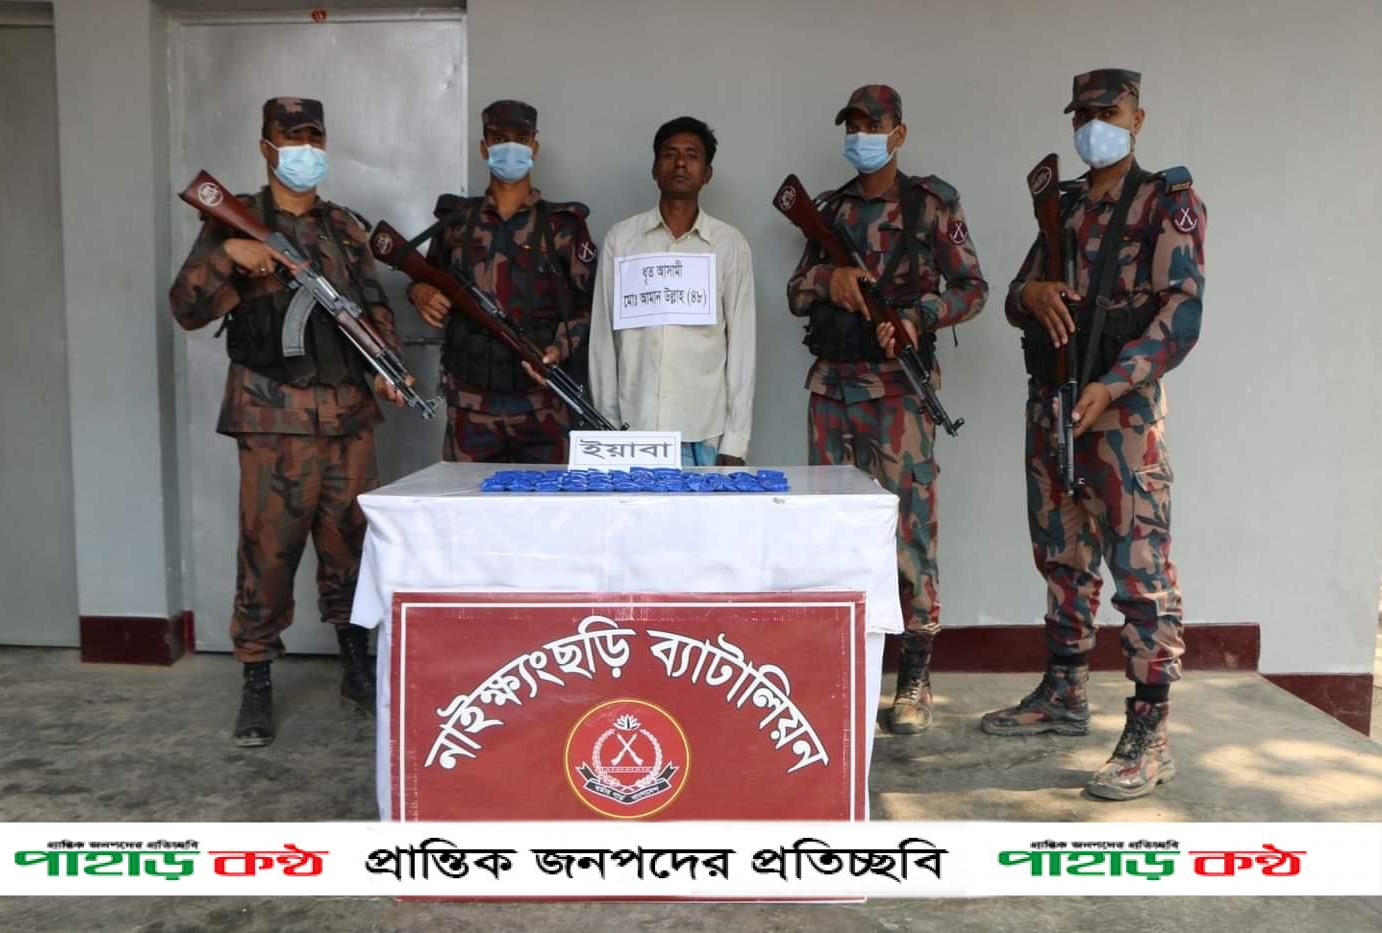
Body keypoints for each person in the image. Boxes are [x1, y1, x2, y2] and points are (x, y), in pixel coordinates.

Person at [983, 68, 1206, 801]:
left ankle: (1150, 731)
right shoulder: (1064, 204)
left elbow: (1181, 313)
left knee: (1140, 570)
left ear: (1138, 117)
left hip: (1121, 417)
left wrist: (1113, 384)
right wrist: (1032, 293)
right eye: (1082, 114)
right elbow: (1014, 297)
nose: (1093, 125)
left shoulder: (1166, 202)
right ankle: (1065, 689)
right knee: (1061, 554)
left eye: (1108, 111)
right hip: (1052, 404)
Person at [170, 97, 407, 747]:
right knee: (267, 553)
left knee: (351, 547)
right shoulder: (233, 221)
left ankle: (355, 663)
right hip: (272, 416)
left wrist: (386, 367)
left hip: (348, 417)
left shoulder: (344, 227)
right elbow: (186, 308)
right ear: (267, 147)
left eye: (314, 137)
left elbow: (374, 306)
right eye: (291, 137)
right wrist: (230, 255)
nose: (305, 149)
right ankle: (256, 677)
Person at [787, 84, 988, 734]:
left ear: (898, 134)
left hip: (899, 395)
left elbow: (973, 288)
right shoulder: (828, 209)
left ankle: (914, 679)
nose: (860, 136)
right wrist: (832, 280)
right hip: (832, 391)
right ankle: (836, 674)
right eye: (852, 125)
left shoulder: (931, 204)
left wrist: (917, 315)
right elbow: (796, 291)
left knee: (909, 533)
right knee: (829, 533)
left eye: (872, 125)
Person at [408, 99, 597, 463]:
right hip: (470, 403)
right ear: (484, 147)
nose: (511, 147)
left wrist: (557, 349)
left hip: (542, 403)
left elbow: (586, 306)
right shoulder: (456, 221)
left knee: (546, 500)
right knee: (465, 499)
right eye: (499, 138)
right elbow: (423, 274)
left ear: (534, 147)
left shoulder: (562, 226)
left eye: (521, 139)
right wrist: (419, 291)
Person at [589, 116, 756, 466]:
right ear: (655, 169)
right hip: (631, 432)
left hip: (704, 435)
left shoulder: (729, 244)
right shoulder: (622, 239)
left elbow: (742, 346)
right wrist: (607, 427)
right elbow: (603, 338)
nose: (680, 163)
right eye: (670, 154)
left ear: (707, 173)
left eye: (692, 155)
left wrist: (735, 441)